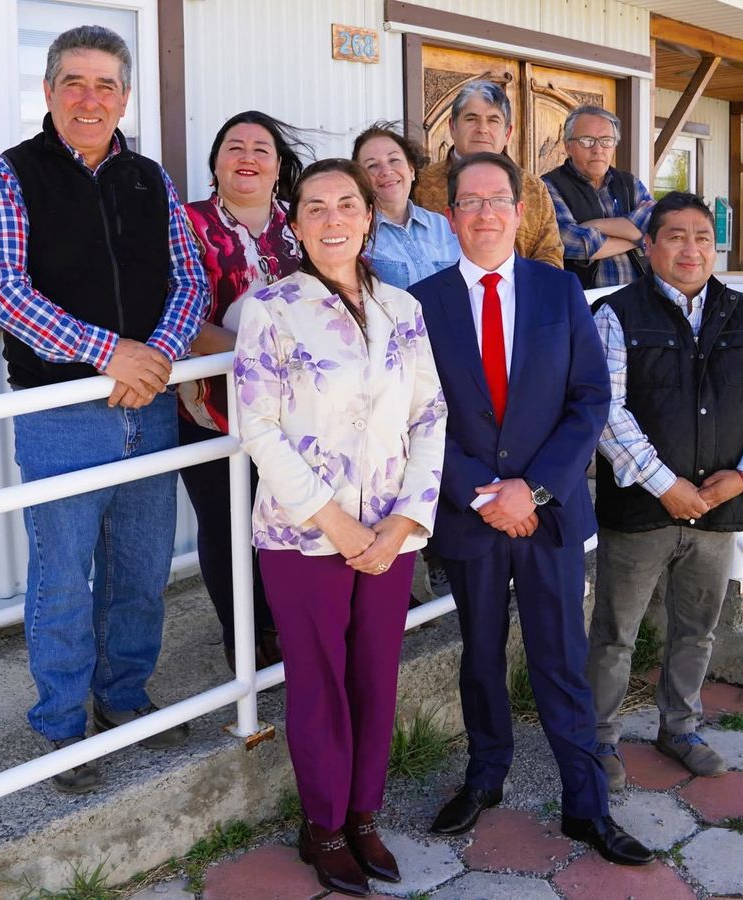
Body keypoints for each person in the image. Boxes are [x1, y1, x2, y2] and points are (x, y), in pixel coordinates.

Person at [0, 25, 206, 793]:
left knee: (141, 572)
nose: (90, 98)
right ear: (47, 90)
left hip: (153, 403)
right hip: (63, 411)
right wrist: (112, 353)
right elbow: (4, 290)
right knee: (64, 579)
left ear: (125, 97)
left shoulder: (150, 178)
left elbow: (189, 282)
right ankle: (63, 728)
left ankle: (124, 699)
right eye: (74, 82)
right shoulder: (12, 175)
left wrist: (157, 358)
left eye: (106, 85)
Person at [409, 152, 652, 867]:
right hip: (471, 515)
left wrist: (533, 488)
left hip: (547, 514)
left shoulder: (558, 291)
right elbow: (419, 417)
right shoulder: (419, 303)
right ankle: (486, 777)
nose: (484, 213)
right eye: (469, 201)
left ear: (521, 212)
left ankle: (586, 803)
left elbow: (589, 401)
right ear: (450, 216)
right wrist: (483, 492)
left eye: (498, 200)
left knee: (561, 659)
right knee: (480, 656)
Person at [233, 159, 446, 896]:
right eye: (315, 207)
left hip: (388, 532)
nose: (332, 219)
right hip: (303, 536)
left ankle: (362, 814)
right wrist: (334, 522)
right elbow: (257, 427)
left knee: (374, 676)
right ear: (295, 223)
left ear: (367, 217)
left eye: (346, 205)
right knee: (319, 681)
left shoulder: (403, 309)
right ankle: (321, 825)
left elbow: (429, 414)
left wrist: (404, 521)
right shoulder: (270, 309)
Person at [588, 191, 743, 789]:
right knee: (614, 633)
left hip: (720, 507)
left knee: (697, 627)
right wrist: (663, 483)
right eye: (675, 235)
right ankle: (598, 741)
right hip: (641, 508)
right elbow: (606, 409)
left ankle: (679, 727)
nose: (690, 247)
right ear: (649, 247)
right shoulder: (618, 312)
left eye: (702, 236)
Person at [181, 111, 309, 672]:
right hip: (211, 404)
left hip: (300, 408)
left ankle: (284, 626)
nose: (248, 156)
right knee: (227, 521)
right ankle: (243, 636)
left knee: (289, 515)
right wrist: (249, 357)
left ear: (279, 165)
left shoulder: (303, 222)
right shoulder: (183, 223)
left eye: (262, 148)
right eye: (235, 146)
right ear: (216, 163)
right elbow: (175, 309)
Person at [413, 81, 563, 269]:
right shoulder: (420, 184)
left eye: (493, 120)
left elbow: (549, 255)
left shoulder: (533, 188)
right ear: (452, 127)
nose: (482, 129)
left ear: (507, 133)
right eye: (471, 118)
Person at [542, 105, 655, 289]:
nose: (597, 149)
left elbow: (657, 227)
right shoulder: (549, 186)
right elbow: (571, 242)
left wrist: (594, 226)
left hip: (638, 298)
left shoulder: (629, 184)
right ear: (568, 146)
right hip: (584, 302)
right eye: (587, 140)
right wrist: (638, 239)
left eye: (606, 140)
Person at [352, 122, 461, 290]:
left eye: (394, 160)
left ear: (411, 170)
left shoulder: (445, 226)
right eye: (372, 165)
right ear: (359, 180)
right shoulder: (356, 235)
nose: (386, 171)